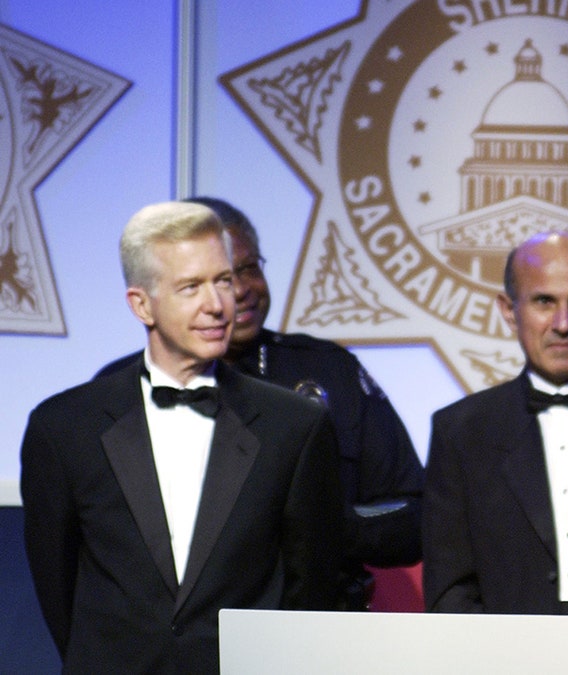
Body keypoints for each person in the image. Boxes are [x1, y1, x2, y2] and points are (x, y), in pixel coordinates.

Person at [21, 201, 343, 672]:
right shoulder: (65, 427)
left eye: (224, 281)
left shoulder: (293, 426)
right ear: (141, 304)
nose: (217, 305)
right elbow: (58, 584)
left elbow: (310, 586)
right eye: (191, 287)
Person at [97, 196, 425, 611]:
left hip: (316, 628)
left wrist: (318, 526)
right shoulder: (113, 394)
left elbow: (413, 517)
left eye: (247, 269)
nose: (233, 293)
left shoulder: (330, 372)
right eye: (204, 282)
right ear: (147, 300)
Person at [422, 231, 568, 614]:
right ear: (507, 308)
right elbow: (450, 590)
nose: (563, 323)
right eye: (544, 302)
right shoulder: (461, 432)